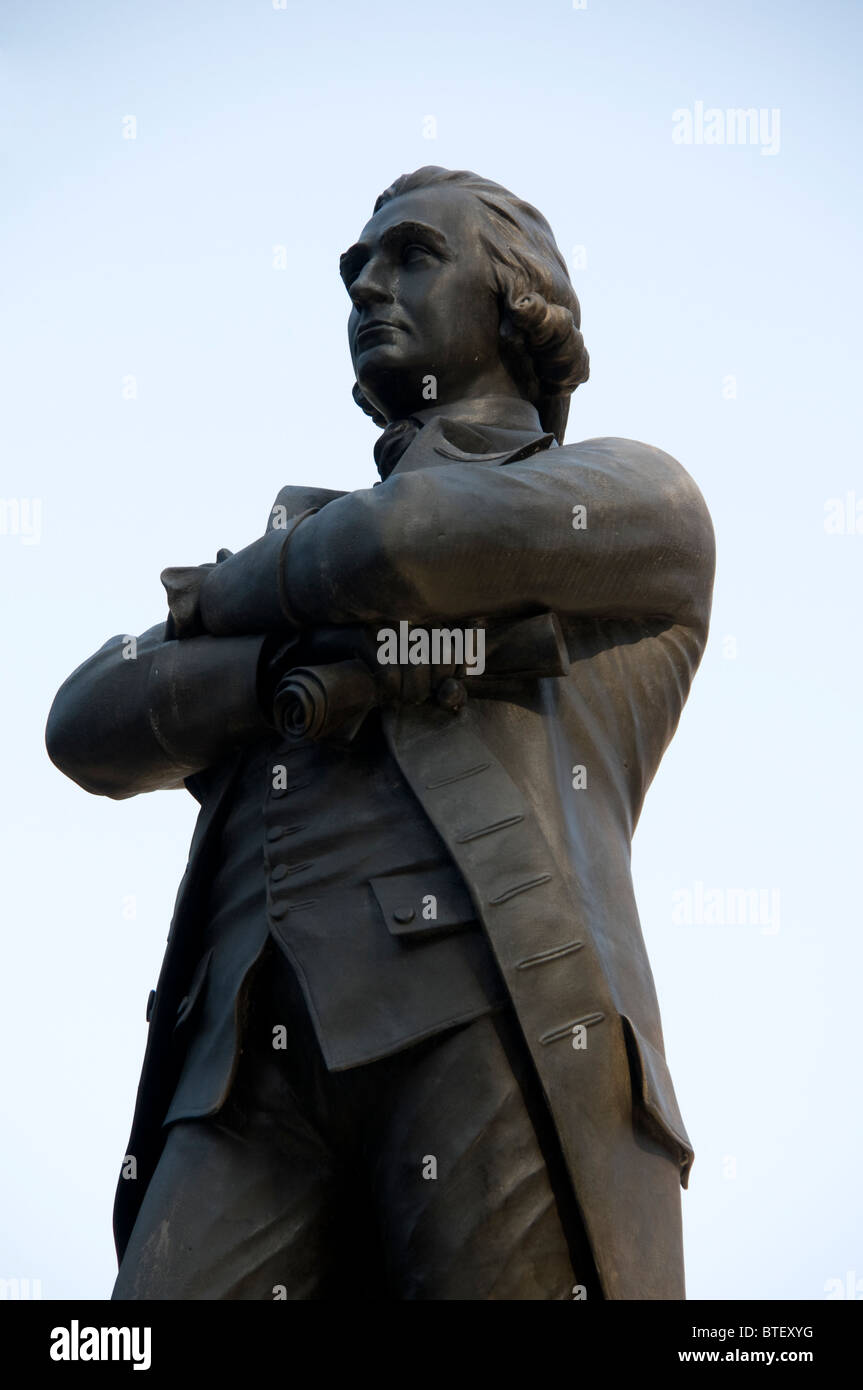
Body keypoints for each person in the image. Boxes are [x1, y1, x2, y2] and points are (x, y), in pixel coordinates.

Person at [46, 166, 715, 1300]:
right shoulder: (296, 588)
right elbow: (86, 720)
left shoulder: (625, 497)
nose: (366, 284)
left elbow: (400, 543)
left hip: (487, 1029)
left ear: (519, 301)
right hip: (239, 1077)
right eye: (354, 268)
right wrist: (282, 670)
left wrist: (217, 601)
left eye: (410, 256)